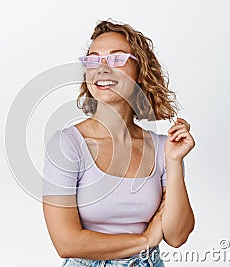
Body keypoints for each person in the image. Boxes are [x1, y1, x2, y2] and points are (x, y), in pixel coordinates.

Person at [42, 20, 195, 267]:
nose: (102, 69)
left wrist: (174, 161)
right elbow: (66, 243)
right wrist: (144, 240)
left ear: (140, 70)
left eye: (116, 59)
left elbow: (177, 236)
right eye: (93, 60)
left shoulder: (162, 148)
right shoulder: (67, 144)